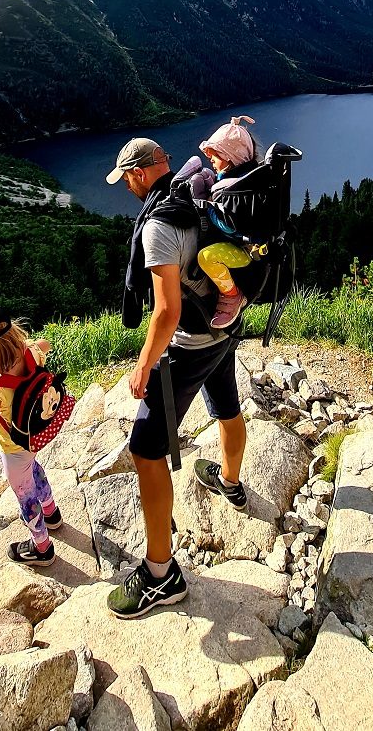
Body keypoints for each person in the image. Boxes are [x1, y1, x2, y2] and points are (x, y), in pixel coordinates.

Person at [104, 138, 249, 620]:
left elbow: (167, 311)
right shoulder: (194, 190)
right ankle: (229, 482)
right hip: (226, 325)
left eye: (125, 176)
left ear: (141, 173)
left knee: (146, 448)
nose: (125, 184)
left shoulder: (159, 225)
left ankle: (161, 574)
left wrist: (145, 362)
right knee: (227, 404)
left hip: (193, 341)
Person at [0, 290, 62, 567]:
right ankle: (52, 514)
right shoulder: (31, 353)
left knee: (25, 494)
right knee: (35, 471)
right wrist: (28, 346)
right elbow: (47, 344)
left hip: (14, 448)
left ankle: (41, 547)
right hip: (36, 436)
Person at [194, 114, 259, 329]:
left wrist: (208, 207)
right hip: (254, 245)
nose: (210, 159)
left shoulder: (232, 190)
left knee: (207, 257)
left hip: (246, 250)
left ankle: (232, 295)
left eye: (215, 155)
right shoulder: (248, 179)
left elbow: (229, 226)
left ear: (230, 157)